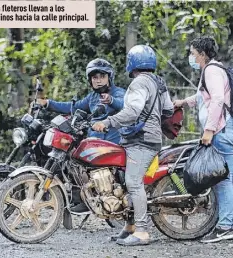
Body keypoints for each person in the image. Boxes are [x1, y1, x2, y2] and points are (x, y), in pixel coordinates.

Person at [92, 45, 174, 246]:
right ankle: (129, 227)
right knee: (123, 180)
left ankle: (143, 232)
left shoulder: (138, 83)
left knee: (134, 182)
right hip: (145, 138)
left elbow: (132, 113)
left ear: (131, 63)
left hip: (141, 140)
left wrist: (108, 122)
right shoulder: (158, 82)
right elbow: (169, 110)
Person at [174, 36, 233, 243]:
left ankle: (224, 227)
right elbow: (202, 98)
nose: (191, 57)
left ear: (202, 54)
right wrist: (182, 102)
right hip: (232, 129)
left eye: (193, 53)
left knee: (222, 181)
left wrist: (209, 130)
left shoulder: (212, 70)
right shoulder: (217, 69)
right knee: (229, 179)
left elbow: (217, 99)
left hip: (223, 131)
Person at [36, 58, 126, 213]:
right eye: (94, 78)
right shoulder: (92, 97)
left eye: (102, 77)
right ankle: (86, 197)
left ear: (109, 78)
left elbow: (126, 105)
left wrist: (111, 100)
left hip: (113, 144)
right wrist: (48, 103)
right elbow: (73, 107)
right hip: (94, 143)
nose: (98, 81)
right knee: (71, 160)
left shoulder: (118, 93)